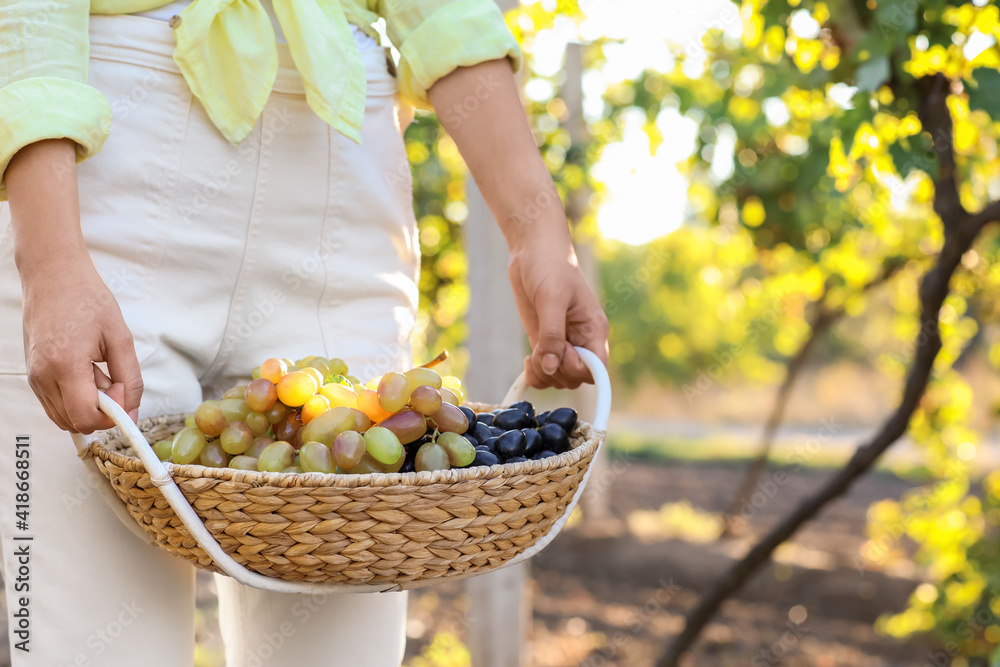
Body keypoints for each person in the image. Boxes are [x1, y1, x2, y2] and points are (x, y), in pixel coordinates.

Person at [0, 0, 609, 665]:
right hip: (104, 150)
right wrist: (50, 255)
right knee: (91, 651)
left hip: (343, 154)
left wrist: (537, 232)